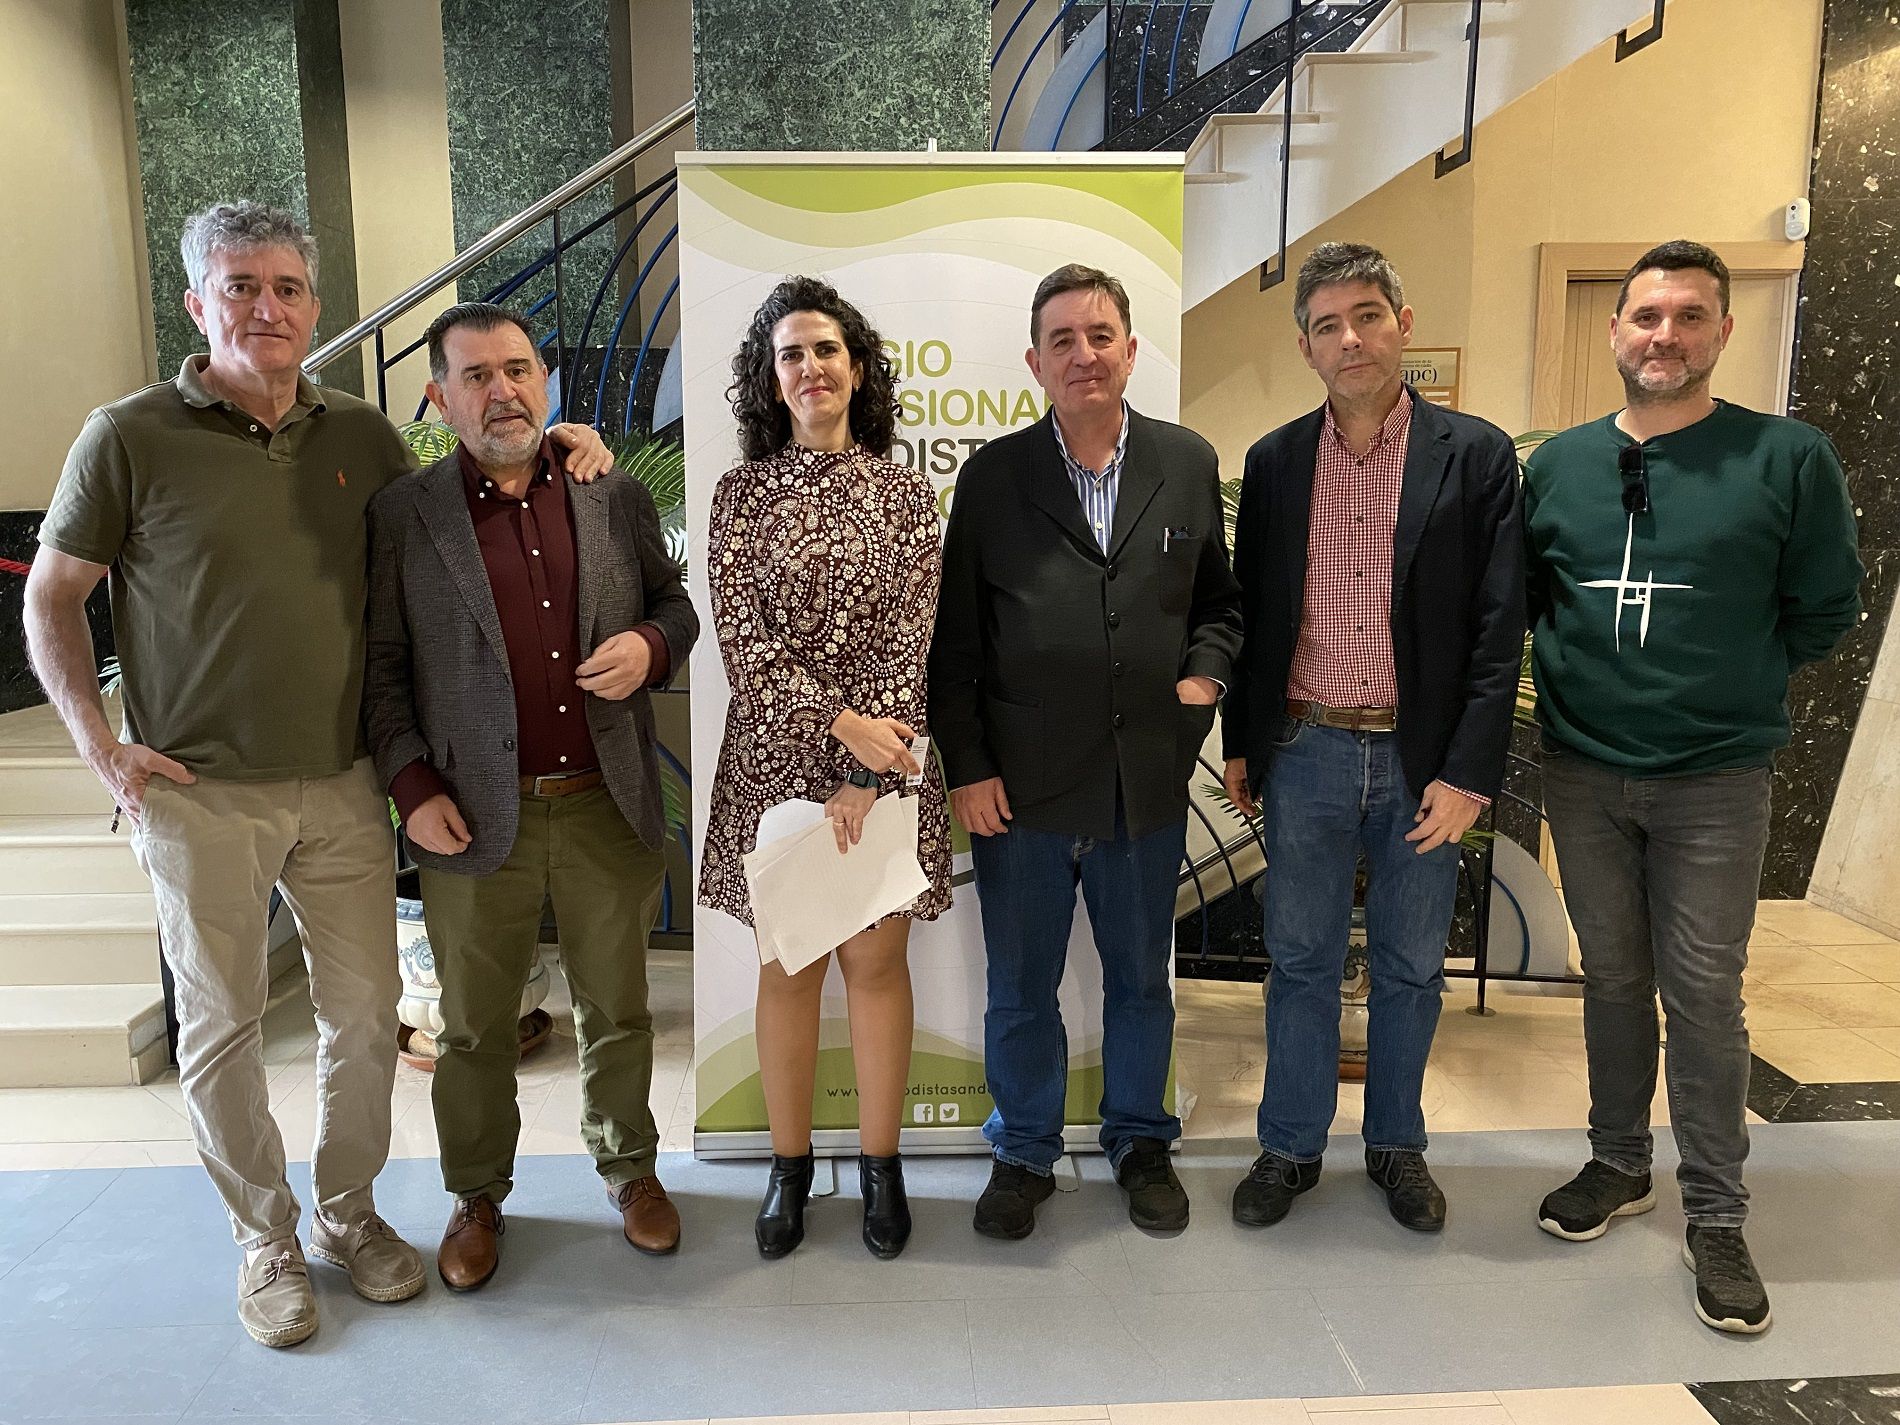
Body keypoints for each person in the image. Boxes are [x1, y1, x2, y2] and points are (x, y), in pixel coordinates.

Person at [21, 201, 612, 1347]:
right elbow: (51, 595)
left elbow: (472, 493)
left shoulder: (361, 436)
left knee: (363, 1018)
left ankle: (348, 1214)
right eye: (241, 286)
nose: (268, 307)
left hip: (346, 782)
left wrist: (565, 445)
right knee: (224, 1027)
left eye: (288, 287)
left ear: (316, 305)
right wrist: (102, 751)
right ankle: (264, 1239)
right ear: (196, 304)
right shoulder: (128, 434)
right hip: (196, 792)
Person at [1526, 240, 1862, 1334]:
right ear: (1613, 332)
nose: (1662, 334)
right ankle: (1618, 1162)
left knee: (1703, 993)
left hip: (1714, 778)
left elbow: (1821, 610)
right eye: (1644, 316)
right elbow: (1529, 602)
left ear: (1721, 333)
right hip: (1581, 770)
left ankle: (1716, 1212)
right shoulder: (1561, 467)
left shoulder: (1786, 458)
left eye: (1687, 316)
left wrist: (1723, 680)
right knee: (1613, 979)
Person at [362, 302, 699, 1289]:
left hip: (606, 800)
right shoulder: (403, 514)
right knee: (470, 1028)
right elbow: (380, 667)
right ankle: (476, 1197)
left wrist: (652, 644)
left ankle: (629, 1171)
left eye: (517, 369)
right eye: (475, 375)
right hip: (469, 812)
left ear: (545, 381)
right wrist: (410, 785)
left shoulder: (610, 494)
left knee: (619, 1010)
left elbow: (673, 603)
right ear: (438, 396)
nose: (501, 390)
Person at [929, 263, 1243, 1239]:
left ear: (1131, 349)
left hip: (1141, 782)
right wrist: (969, 767)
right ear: (1033, 361)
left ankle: (1138, 1138)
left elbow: (1220, 606)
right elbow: (958, 643)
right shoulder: (992, 479)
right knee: (1020, 989)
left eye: (1099, 334)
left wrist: (1205, 675)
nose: (1082, 354)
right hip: (1017, 790)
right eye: (1061, 340)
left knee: (1140, 981)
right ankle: (1023, 1152)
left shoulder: (1185, 462)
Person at [1220, 242, 1524, 1236]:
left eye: (1366, 315)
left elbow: (1495, 625)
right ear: (1305, 347)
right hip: (1304, 749)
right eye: (1325, 324)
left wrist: (1470, 774)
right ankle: (1290, 1146)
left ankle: (1396, 1146)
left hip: (1420, 763)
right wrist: (1241, 744)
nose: (1348, 337)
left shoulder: (1472, 456)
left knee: (1408, 965)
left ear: (1401, 322)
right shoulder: (1272, 463)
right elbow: (1250, 618)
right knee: (1300, 959)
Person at [700, 275, 952, 1261]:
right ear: (771, 380)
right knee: (789, 965)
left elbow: (912, 638)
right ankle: (790, 1167)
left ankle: (882, 1168)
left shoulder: (903, 494)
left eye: (825, 350)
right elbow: (744, 647)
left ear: (857, 367)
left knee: (877, 964)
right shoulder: (738, 497)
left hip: (882, 767)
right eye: (790, 355)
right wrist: (837, 728)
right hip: (773, 767)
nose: (809, 368)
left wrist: (868, 766)